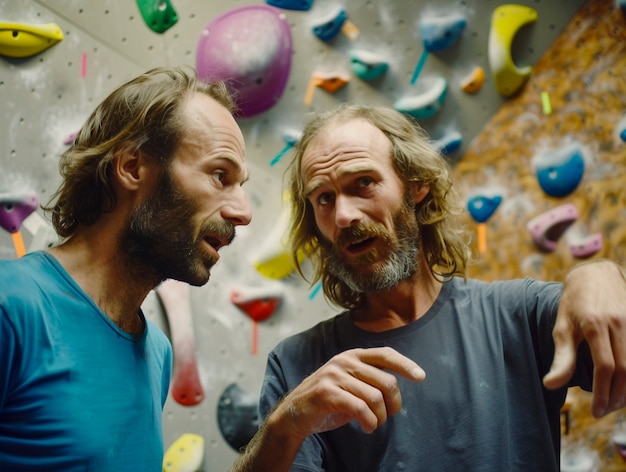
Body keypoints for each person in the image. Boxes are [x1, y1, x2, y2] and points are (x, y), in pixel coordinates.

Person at [230, 104, 626, 471]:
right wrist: (286, 425)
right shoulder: (298, 365)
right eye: (324, 198)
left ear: (415, 185)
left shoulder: (520, 316)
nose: (345, 215)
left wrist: (602, 274)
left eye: (363, 183)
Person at [0, 66, 252, 470]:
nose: (244, 212)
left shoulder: (157, 353)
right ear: (133, 168)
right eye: (220, 175)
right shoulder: (11, 308)